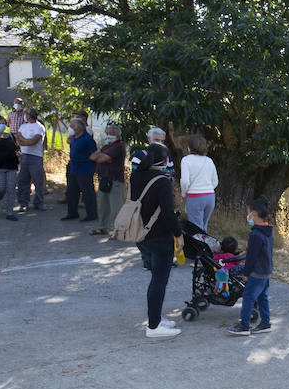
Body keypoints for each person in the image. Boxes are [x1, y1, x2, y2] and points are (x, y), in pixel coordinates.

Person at [131, 144, 182, 339]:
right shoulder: (162, 181)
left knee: (155, 279)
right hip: (160, 236)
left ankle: (156, 318)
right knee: (159, 281)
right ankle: (153, 326)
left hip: (140, 233)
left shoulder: (136, 176)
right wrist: (178, 234)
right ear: (166, 161)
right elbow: (168, 214)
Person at [227, 198, 274, 335]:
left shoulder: (255, 234)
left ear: (253, 213)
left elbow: (252, 257)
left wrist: (246, 273)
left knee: (248, 296)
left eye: (248, 212)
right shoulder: (267, 231)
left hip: (256, 272)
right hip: (265, 270)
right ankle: (265, 323)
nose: (247, 216)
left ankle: (244, 325)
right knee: (262, 297)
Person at [90, 125, 126, 234]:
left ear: (117, 135)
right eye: (107, 133)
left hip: (115, 180)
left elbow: (102, 159)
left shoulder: (118, 147)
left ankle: (117, 230)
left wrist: (101, 156)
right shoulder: (106, 147)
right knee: (103, 206)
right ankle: (103, 227)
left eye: (111, 134)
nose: (108, 136)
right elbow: (93, 157)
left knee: (116, 207)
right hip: (103, 180)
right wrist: (101, 156)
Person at [179, 133, 219, 232]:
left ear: (189, 147)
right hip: (210, 196)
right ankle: (205, 241)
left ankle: (197, 242)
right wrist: (207, 189)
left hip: (194, 196)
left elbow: (185, 181)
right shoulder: (209, 160)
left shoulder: (186, 160)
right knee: (204, 227)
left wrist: (184, 194)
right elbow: (215, 181)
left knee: (196, 228)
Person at [62, 116, 98, 222]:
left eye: (72, 126)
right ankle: (72, 213)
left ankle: (91, 214)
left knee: (87, 193)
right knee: (71, 191)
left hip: (85, 169)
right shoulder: (74, 138)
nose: (70, 128)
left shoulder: (87, 139)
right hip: (74, 168)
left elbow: (94, 154)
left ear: (79, 128)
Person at [14, 108, 47, 211]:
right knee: (23, 181)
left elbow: (33, 141)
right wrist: (26, 141)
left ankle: (39, 202)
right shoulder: (23, 126)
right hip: (24, 156)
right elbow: (18, 138)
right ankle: (23, 203)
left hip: (36, 157)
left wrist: (24, 141)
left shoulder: (39, 127)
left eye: (26, 114)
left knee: (38, 181)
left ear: (29, 115)